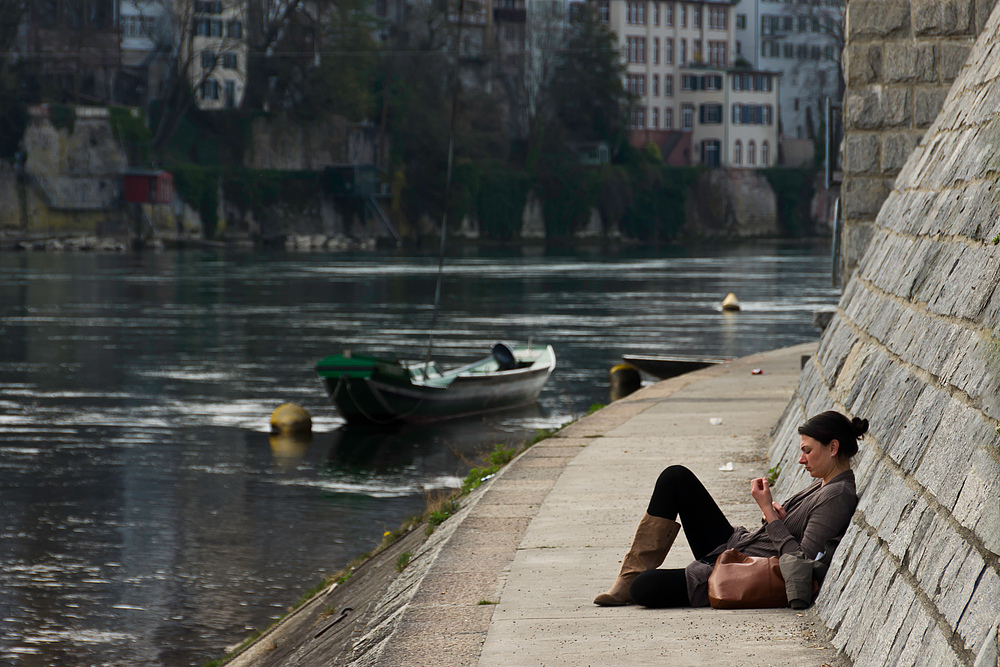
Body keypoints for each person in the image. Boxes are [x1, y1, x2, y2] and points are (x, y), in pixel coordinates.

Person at [593, 411, 866, 608]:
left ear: (833, 447)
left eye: (807, 451)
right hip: (737, 546)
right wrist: (774, 518)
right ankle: (627, 577)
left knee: (645, 589)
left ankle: (632, 583)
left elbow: (802, 565)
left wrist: (770, 516)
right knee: (675, 477)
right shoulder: (824, 483)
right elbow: (789, 536)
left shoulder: (836, 495)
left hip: (738, 570)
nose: (800, 459)